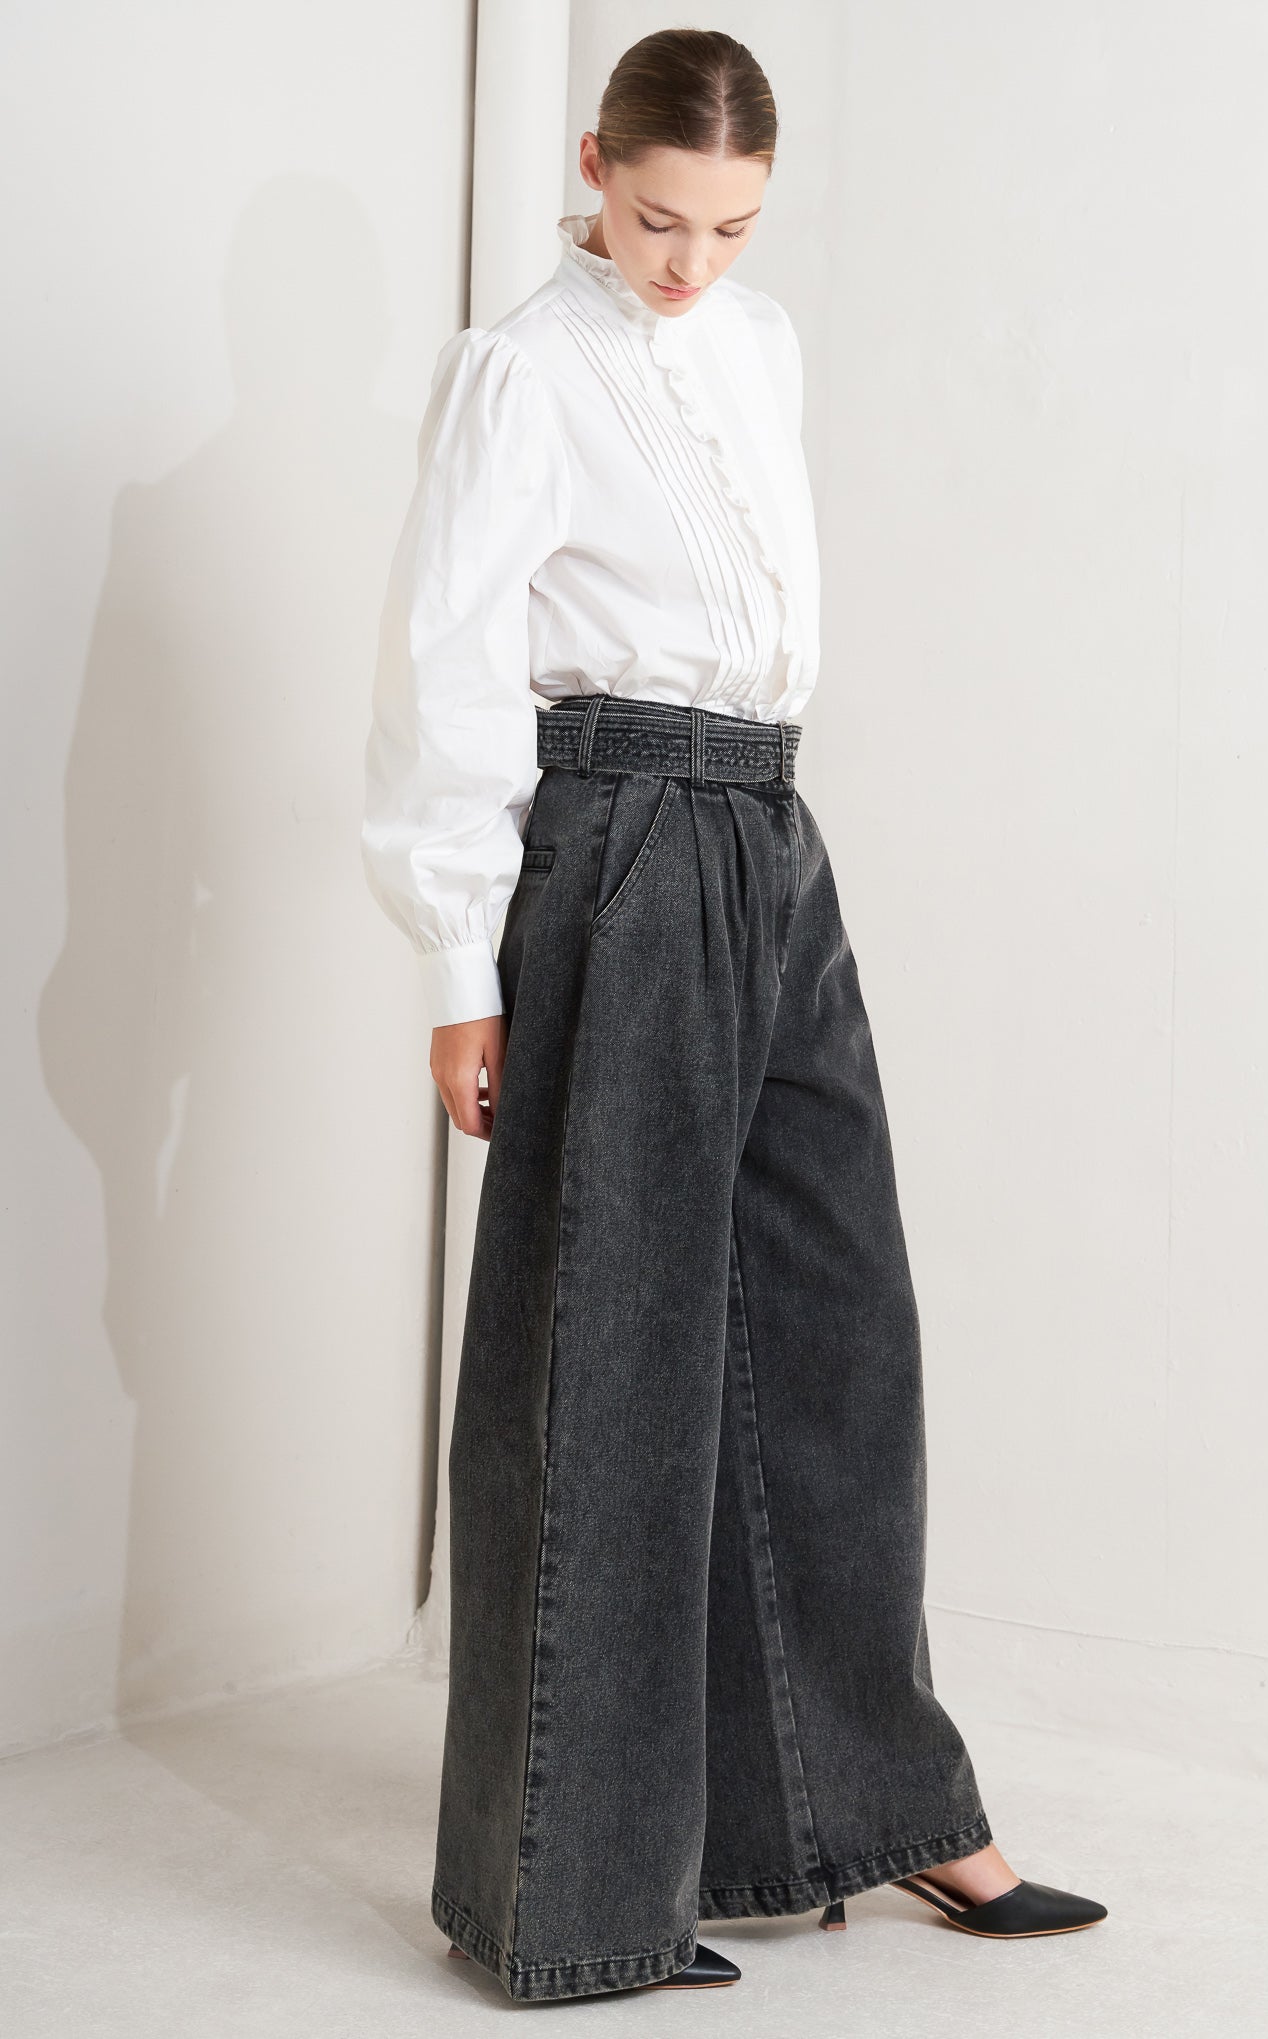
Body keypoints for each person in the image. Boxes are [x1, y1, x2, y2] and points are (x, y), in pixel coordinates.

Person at [361, 26, 1107, 2005]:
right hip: (612, 831)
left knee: (834, 1322)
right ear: (593, 168)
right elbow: (445, 669)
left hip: (768, 831)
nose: (689, 262)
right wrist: (455, 970)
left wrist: (760, 838)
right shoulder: (524, 370)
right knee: (611, 1365)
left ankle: (873, 1806)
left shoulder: (752, 348)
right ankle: (579, 1896)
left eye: (731, 228)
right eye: (658, 218)